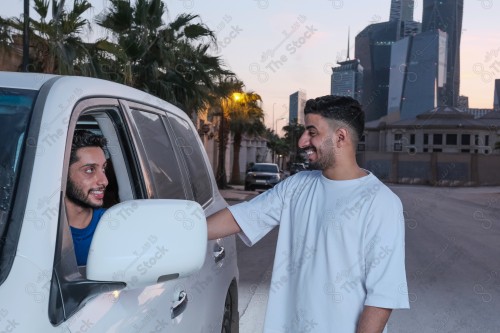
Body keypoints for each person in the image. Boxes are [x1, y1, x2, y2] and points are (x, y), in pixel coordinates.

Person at [208, 95, 409, 333]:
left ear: (340, 137)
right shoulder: (297, 186)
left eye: (312, 132)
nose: (303, 142)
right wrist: (177, 232)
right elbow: (237, 218)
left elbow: (382, 297)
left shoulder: (381, 203)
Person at [65, 129, 108, 266]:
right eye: (89, 170)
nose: (104, 181)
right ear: (62, 174)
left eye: (103, 169)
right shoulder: (33, 227)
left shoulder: (112, 225)